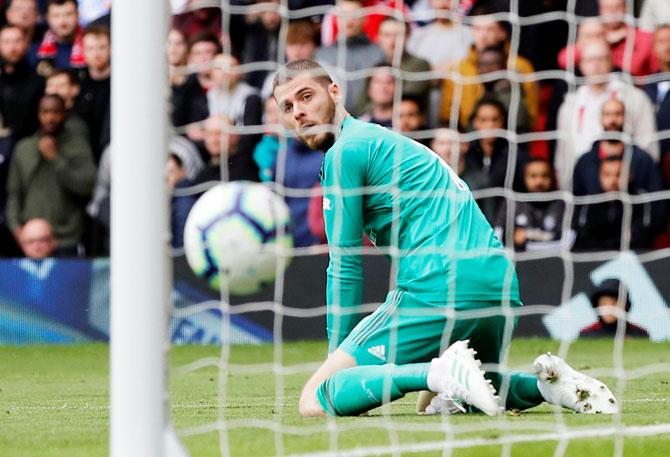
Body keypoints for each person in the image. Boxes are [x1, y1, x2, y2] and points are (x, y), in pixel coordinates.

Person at [273, 59, 618, 418]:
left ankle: (437, 371)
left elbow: (344, 263)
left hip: (437, 284)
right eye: (287, 107)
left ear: (334, 90)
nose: (298, 112)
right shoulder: (388, 141)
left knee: (314, 399)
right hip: (497, 287)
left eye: (306, 96)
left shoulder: (346, 150)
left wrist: (337, 358)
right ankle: (549, 386)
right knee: (463, 396)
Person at [555, 40, 658, 190]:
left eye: (601, 58)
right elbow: (562, 154)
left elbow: (648, 144)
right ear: (581, 65)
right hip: (584, 185)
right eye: (590, 59)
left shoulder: (635, 98)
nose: (595, 65)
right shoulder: (570, 104)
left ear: (611, 61)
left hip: (628, 184)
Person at [5, 94, 96, 255]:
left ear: (64, 114)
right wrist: (17, 229)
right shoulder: (24, 148)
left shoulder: (78, 146)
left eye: (55, 112)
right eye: (45, 112)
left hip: (67, 239)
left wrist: (55, 158)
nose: (50, 118)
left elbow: (88, 187)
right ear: (38, 114)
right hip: (31, 240)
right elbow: (14, 194)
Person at [438, 5, 539, 130]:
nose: (483, 35)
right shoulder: (459, 69)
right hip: (468, 140)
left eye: (490, 29)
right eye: (478, 29)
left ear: (502, 33)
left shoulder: (521, 66)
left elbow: (531, 113)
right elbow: (447, 113)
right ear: (471, 32)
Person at [572, 99, 664, 197]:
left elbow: (657, 200)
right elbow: (576, 201)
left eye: (618, 114)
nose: (613, 120)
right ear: (601, 118)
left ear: (625, 118)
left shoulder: (642, 160)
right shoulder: (585, 162)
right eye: (607, 114)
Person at [572, 157, 664, 251]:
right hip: (596, 260)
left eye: (619, 174)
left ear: (630, 175)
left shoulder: (641, 200)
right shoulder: (590, 202)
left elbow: (641, 240)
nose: (613, 181)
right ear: (600, 176)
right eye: (607, 175)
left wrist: (603, 243)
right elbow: (583, 241)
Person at [315, 0, 385, 114]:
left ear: (365, 19)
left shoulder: (379, 53)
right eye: (344, 15)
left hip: (369, 121)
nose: (349, 20)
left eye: (355, 16)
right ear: (336, 18)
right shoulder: (322, 55)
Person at [493, 158, 569, 252]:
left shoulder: (562, 204)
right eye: (533, 176)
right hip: (517, 263)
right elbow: (497, 238)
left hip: (554, 262)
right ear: (524, 178)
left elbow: (568, 242)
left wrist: (528, 237)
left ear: (552, 178)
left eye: (544, 176)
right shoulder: (511, 204)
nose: (539, 182)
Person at [0, 24, 44, 141]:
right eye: (6, 42)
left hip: (29, 142)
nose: (12, 47)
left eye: (17, 41)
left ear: (27, 44)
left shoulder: (39, 80)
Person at [76, 23, 110, 162]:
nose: (96, 54)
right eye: (90, 48)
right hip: (83, 153)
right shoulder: (76, 81)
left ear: (111, 49)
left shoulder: (123, 82)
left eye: (101, 47)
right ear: (83, 51)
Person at [405, 0, 472, 69]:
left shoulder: (470, 34)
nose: (442, 4)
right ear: (430, 2)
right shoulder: (417, 35)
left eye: (448, 0)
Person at [643, 24, 670, 186]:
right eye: (662, 41)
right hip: (652, 168)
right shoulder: (647, 86)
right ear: (653, 49)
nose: (668, 46)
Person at [580, 279, 649, 338]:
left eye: (614, 303)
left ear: (626, 305)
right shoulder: (586, 334)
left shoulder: (640, 334)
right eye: (604, 304)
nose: (609, 308)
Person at [35, 0, 85, 76]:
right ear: (47, 18)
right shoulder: (36, 51)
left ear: (78, 15)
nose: (62, 22)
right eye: (56, 16)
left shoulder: (93, 47)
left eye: (68, 15)